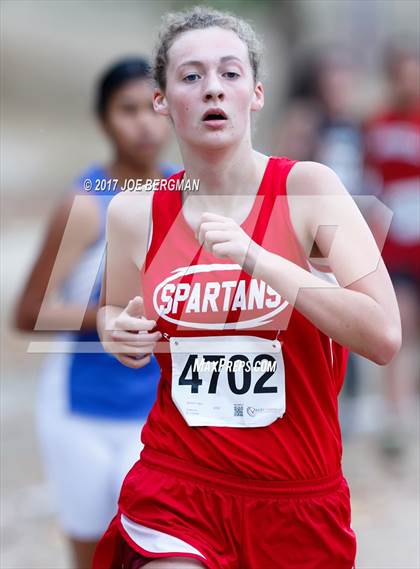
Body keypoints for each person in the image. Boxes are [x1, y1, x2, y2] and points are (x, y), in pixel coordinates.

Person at [93, 7, 401, 569]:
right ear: (162, 99)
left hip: (297, 498)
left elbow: (382, 336)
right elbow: (116, 315)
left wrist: (264, 262)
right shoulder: (133, 213)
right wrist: (120, 333)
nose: (213, 88)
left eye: (229, 74)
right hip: (179, 487)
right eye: (191, 76)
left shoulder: (308, 189)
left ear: (256, 93)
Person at [14, 57, 174, 569]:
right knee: (92, 556)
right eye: (127, 110)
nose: (144, 123)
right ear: (104, 120)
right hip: (81, 409)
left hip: (159, 410)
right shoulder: (85, 204)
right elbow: (28, 312)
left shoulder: (188, 194)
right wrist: (111, 315)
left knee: (155, 549)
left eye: (154, 108)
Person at [364, 41, 420, 456]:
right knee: (398, 322)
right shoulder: (378, 123)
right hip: (397, 241)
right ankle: (395, 418)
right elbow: (369, 180)